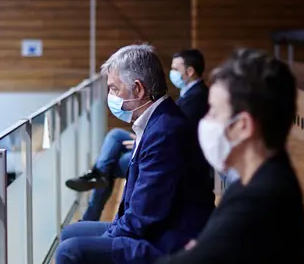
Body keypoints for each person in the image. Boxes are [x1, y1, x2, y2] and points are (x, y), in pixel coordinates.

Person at [0, 49, 304, 264]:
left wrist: (188, 256)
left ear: (243, 126)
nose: (204, 122)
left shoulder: (258, 200)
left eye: (214, 113)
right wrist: (192, 256)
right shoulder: (261, 186)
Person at [56, 44, 214, 264]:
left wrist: (111, 237)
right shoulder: (158, 119)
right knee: (72, 235)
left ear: (138, 88)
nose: (111, 96)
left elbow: (144, 216)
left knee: (70, 254)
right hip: (160, 231)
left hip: (169, 247)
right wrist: (112, 234)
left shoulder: (166, 131)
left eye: (114, 88)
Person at [66, 48, 210, 221]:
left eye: (114, 89)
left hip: (174, 152)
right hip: (155, 140)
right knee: (115, 135)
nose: (110, 96)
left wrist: (141, 139)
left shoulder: (196, 99)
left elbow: (183, 132)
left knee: (112, 165)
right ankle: (99, 174)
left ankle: (97, 183)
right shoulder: (185, 96)